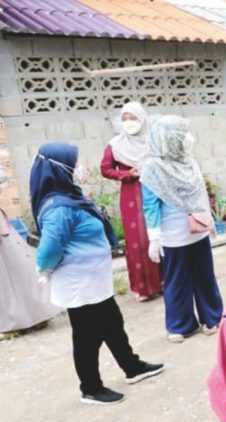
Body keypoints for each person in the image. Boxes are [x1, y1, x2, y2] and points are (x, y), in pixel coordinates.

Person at [31, 142, 163, 404]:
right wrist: (44, 269)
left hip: (93, 281)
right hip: (79, 284)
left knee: (113, 324)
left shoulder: (69, 196)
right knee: (87, 337)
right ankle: (90, 388)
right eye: (73, 163)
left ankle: (132, 367)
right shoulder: (58, 208)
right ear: (58, 168)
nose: (78, 167)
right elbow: (48, 249)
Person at [140, 115, 223, 343]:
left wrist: (210, 222)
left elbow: (200, 194)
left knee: (205, 276)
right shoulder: (152, 167)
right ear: (171, 138)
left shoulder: (189, 160)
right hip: (173, 234)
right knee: (177, 280)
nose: (188, 138)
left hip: (197, 230)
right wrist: (154, 238)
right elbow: (150, 204)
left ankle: (211, 318)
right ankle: (180, 324)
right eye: (183, 133)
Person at [100, 101, 162, 302]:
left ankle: (164, 282)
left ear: (142, 118)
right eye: (124, 118)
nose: (128, 122)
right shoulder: (115, 144)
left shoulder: (155, 140)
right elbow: (105, 169)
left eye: (132, 118)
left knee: (159, 233)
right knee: (137, 240)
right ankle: (142, 287)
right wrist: (127, 174)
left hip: (155, 188)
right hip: (131, 195)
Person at [1, 167, 60, 332]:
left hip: (4, 233)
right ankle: (17, 321)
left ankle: (36, 316)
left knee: (22, 271)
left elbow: (2, 175)